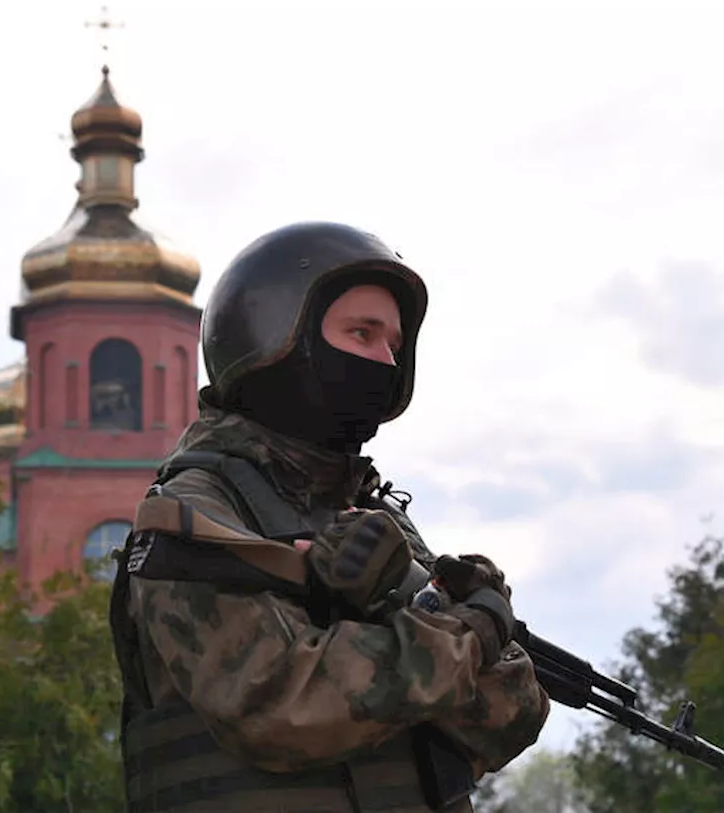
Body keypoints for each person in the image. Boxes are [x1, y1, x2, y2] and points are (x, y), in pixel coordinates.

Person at [109, 222, 550, 812]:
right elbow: (281, 706)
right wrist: (468, 633)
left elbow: (513, 715)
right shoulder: (195, 510)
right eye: (362, 333)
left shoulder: (371, 512)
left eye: (394, 344)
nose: (385, 361)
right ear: (275, 338)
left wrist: (441, 620)